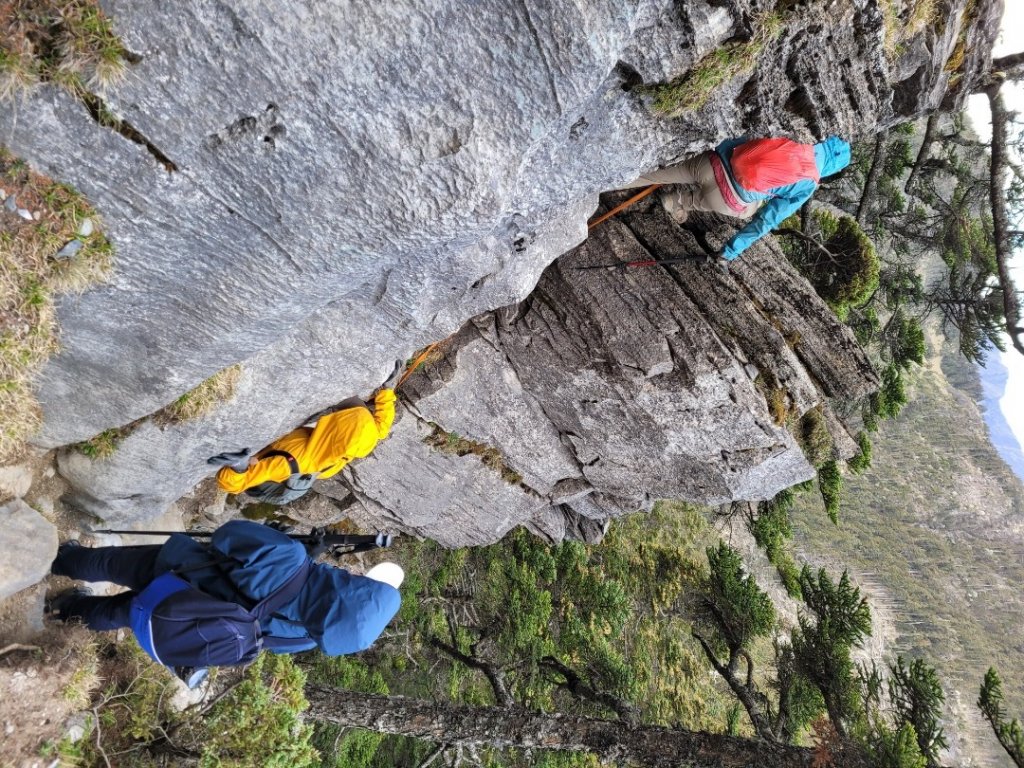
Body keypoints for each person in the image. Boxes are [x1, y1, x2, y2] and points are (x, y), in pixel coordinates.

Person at [48, 520, 403, 660]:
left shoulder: (289, 558)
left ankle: (60, 560)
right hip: (183, 614)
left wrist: (298, 552)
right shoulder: (307, 638)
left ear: (352, 586)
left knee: (113, 565)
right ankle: (66, 610)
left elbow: (227, 535)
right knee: (121, 612)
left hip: (176, 569)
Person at [630, 136, 851, 264]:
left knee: (643, 174)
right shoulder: (809, 182)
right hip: (725, 200)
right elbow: (766, 221)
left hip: (709, 163)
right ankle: (677, 201)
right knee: (750, 206)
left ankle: (605, 179)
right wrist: (729, 252)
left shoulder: (801, 135)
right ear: (831, 169)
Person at [209, 361, 403, 497]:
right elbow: (381, 427)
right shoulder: (336, 457)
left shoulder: (300, 465)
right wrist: (387, 390)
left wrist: (240, 466)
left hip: (339, 431)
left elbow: (234, 485)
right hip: (340, 429)